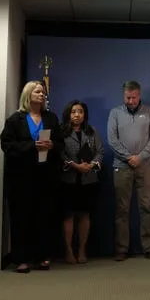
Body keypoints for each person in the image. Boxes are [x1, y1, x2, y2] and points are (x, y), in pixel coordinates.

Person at [0, 81, 64, 273]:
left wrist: (52, 146)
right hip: (21, 179)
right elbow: (7, 145)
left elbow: (61, 143)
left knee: (44, 217)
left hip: (46, 177)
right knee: (21, 218)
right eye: (37, 91)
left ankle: (42, 256)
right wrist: (31, 146)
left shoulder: (51, 118)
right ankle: (21, 259)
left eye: (43, 92)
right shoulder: (15, 120)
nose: (41, 95)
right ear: (28, 95)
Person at [107, 81, 150, 261]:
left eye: (134, 97)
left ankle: (149, 247)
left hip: (145, 166)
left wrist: (140, 157)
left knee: (147, 207)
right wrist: (129, 157)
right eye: (127, 97)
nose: (130, 101)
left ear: (139, 94)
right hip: (122, 166)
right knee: (122, 209)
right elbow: (112, 140)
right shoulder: (115, 113)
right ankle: (121, 249)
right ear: (124, 96)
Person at [60, 100, 103, 264]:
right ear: (68, 114)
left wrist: (90, 165)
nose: (77, 115)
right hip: (68, 179)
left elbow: (100, 152)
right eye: (73, 112)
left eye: (80, 111)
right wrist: (74, 165)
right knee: (68, 215)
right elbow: (60, 154)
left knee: (85, 215)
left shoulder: (92, 132)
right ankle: (69, 250)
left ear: (85, 115)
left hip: (88, 179)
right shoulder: (61, 132)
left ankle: (82, 250)